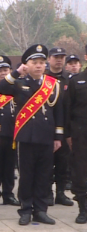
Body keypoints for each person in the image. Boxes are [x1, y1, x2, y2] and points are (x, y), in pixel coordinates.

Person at [0, 44, 63, 225]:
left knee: (44, 175)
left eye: (42, 62)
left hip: (46, 137)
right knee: (26, 175)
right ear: (27, 64)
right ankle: (25, 209)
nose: (39, 65)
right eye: (35, 62)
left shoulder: (53, 85)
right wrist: (16, 72)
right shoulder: (19, 83)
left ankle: (40, 210)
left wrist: (58, 137)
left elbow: (58, 113)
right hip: (26, 137)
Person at [0, 56, 20, 207]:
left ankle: (8, 194)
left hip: (12, 133)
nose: (2, 73)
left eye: (5, 70)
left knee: (9, 167)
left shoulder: (16, 87)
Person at [46, 47, 73, 206]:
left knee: (63, 162)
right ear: (49, 59)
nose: (59, 60)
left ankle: (61, 193)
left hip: (66, 127)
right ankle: (47, 192)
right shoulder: (43, 78)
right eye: (56, 57)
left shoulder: (69, 79)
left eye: (62, 57)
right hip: (48, 126)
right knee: (47, 162)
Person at [65, 45, 87, 223]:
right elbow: (68, 110)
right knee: (80, 171)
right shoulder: (76, 81)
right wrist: (68, 135)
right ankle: (83, 209)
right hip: (80, 135)